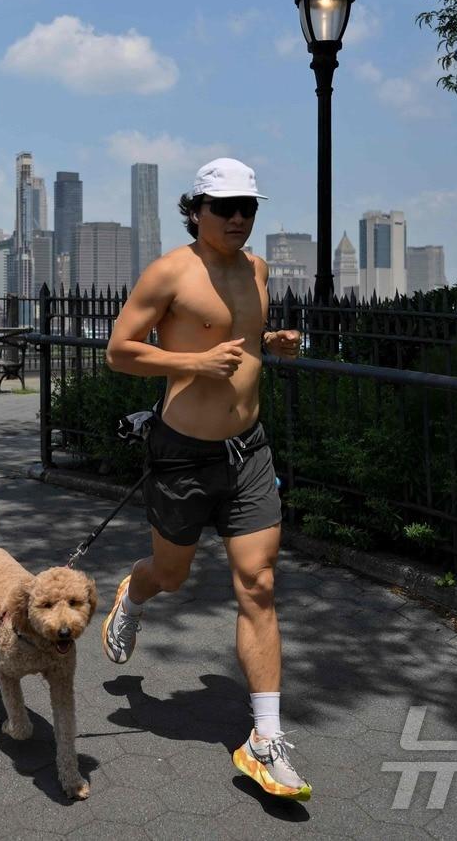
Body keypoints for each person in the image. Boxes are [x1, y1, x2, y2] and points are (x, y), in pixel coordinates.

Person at [101, 157, 309, 801]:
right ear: (197, 210)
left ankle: (265, 742)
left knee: (259, 583)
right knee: (172, 575)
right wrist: (193, 360)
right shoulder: (171, 271)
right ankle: (133, 595)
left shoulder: (258, 270)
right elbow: (119, 350)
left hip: (249, 452)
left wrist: (271, 341)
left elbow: (241, 342)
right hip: (183, 455)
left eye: (249, 206)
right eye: (227, 208)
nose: (240, 218)